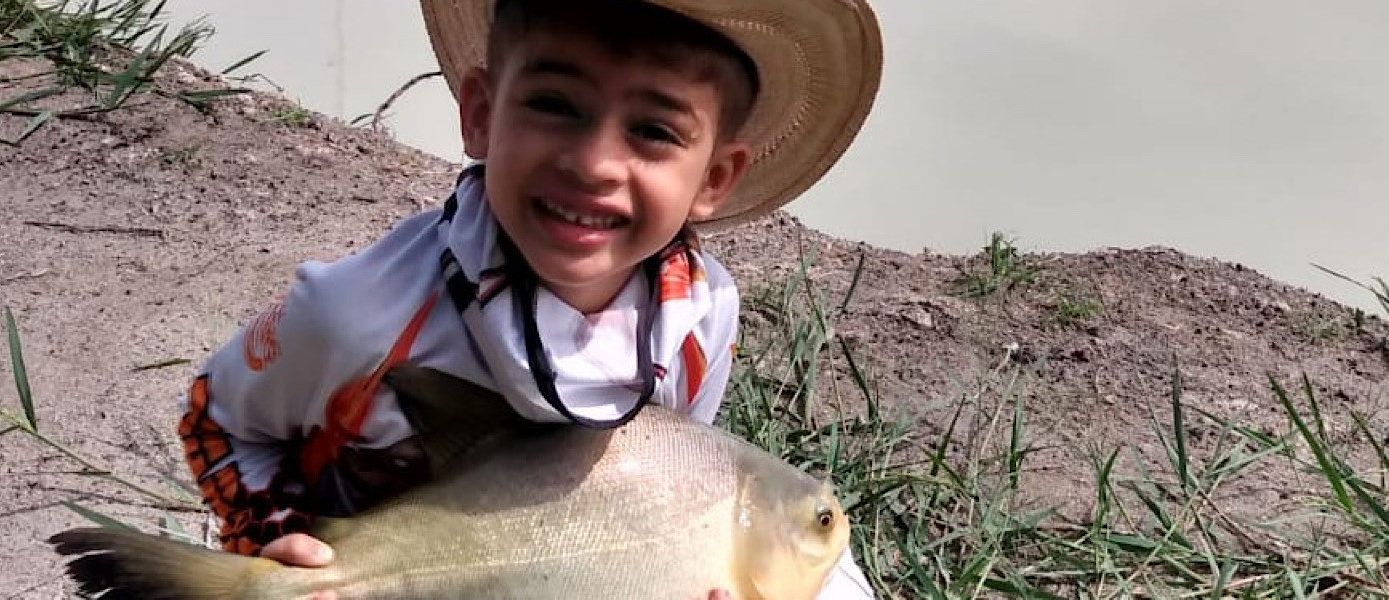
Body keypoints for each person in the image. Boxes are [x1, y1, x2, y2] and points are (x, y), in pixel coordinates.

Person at [174, 0, 884, 597]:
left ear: (714, 178)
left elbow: (668, 469)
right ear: (480, 113)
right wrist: (278, 547)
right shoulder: (357, 315)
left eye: (654, 131)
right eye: (555, 104)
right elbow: (218, 419)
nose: (595, 163)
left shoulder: (703, 321)